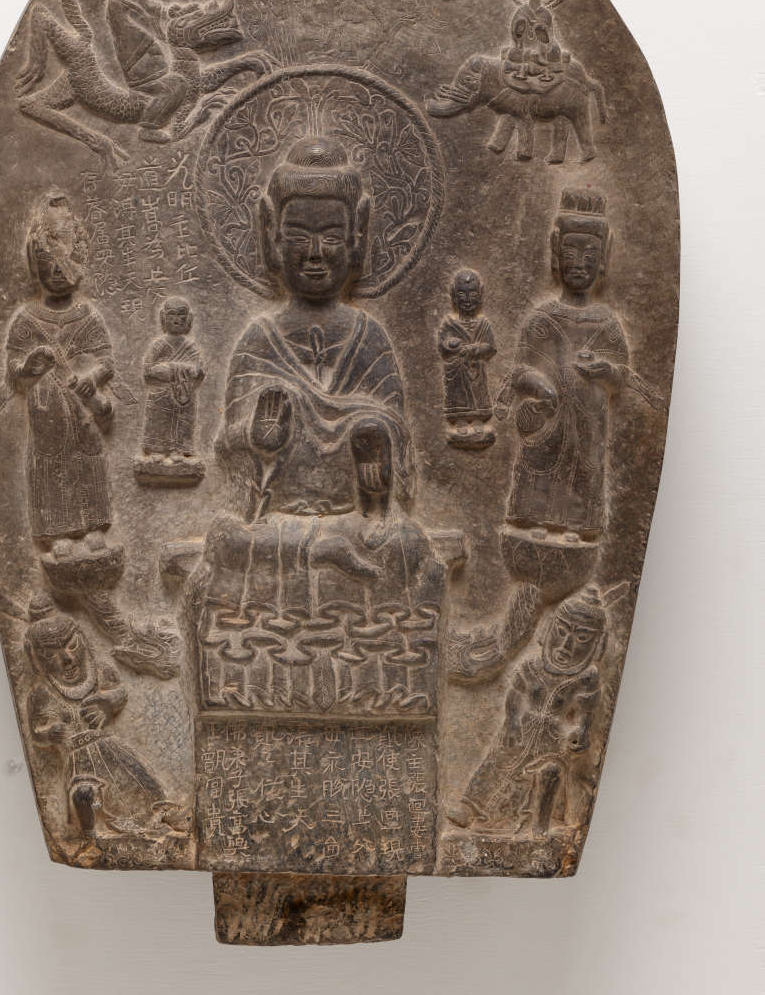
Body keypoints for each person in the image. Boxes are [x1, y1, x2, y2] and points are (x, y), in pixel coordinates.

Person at [199, 138, 443, 714]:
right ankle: (262, 671)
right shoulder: (258, 338)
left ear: (357, 238)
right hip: (277, 521)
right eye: (298, 236)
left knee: (407, 545)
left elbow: (397, 437)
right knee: (227, 544)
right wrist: (257, 439)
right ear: (271, 236)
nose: (314, 253)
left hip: (356, 521)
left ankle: (381, 687)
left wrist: (377, 456)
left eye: (331, 236)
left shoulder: (369, 337)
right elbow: (228, 448)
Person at [497, 191, 628, 540]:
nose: (580, 264)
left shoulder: (606, 322)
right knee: (540, 462)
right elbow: (519, 371)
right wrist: (539, 386)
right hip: (547, 417)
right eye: (571, 253)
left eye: (590, 255)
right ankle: (534, 519)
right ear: (556, 253)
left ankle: (577, 524)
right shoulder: (541, 319)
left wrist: (605, 370)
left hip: (588, 421)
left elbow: (622, 375)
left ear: (604, 259)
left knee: (585, 467)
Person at [5, 193, 115, 557]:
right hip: (45, 408)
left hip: (81, 404)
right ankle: (57, 533)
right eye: (48, 263)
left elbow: (106, 361)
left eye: (64, 263)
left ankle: (93, 527)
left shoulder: (88, 316)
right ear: (35, 267)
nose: (56, 272)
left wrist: (92, 378)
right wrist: (29, 366)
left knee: (87, 457)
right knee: (52, 463)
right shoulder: (26, 319)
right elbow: (13, 370)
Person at [24, 596, 185, 842]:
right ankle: (92, 837)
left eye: (71, 646)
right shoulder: (41, 692)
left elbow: (120, 692)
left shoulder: (99, 670)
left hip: (110, 748)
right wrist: (49, 733)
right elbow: (36, 732)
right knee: (83, 794)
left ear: (83, 639)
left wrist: (108, 704)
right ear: (36, 658)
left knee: (141, 781)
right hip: (78, 758)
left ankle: (159, 819)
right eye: (50, 654)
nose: (66, 658)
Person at [448, 588, 607, 837]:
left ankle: (539, 825)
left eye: (582, 639)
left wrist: (582, 732)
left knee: (550, 773)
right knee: (497, 761)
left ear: (596, 646)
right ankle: (469, 808)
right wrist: (512, 721)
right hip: (521, 729)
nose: (566, 645)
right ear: (548, 630)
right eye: (561, 632)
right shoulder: (533, 666)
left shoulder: (584, 678)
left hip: (552, 740)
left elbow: (585, 711)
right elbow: (515, 695)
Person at [134, 296, 205, 485]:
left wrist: (188, 370)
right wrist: (172, 369)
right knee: (159, 421)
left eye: (181, 315)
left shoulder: (190, 346)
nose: (176, 319)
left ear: (188, 319)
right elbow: (148, 369)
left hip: (184, 395)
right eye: (172, 314)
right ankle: (157, 451)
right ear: (163, 318)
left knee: (183, 422)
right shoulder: (159, 344)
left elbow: (198, 369)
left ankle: (179, 452)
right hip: (161, 394)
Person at [438, 269, 496, 448]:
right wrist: (450, 344)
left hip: (476, 368)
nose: (468, 299)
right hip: (457, 372)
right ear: (454, 296)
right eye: (462, 294)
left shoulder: (483, 323)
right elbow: (442, 345)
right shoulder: (449, 323)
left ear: (480, 295)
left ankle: (478, 421)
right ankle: (460, 422)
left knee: (479, 396)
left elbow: (490, 347)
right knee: (458, 396)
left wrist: (474, 349)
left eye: (472, 293)